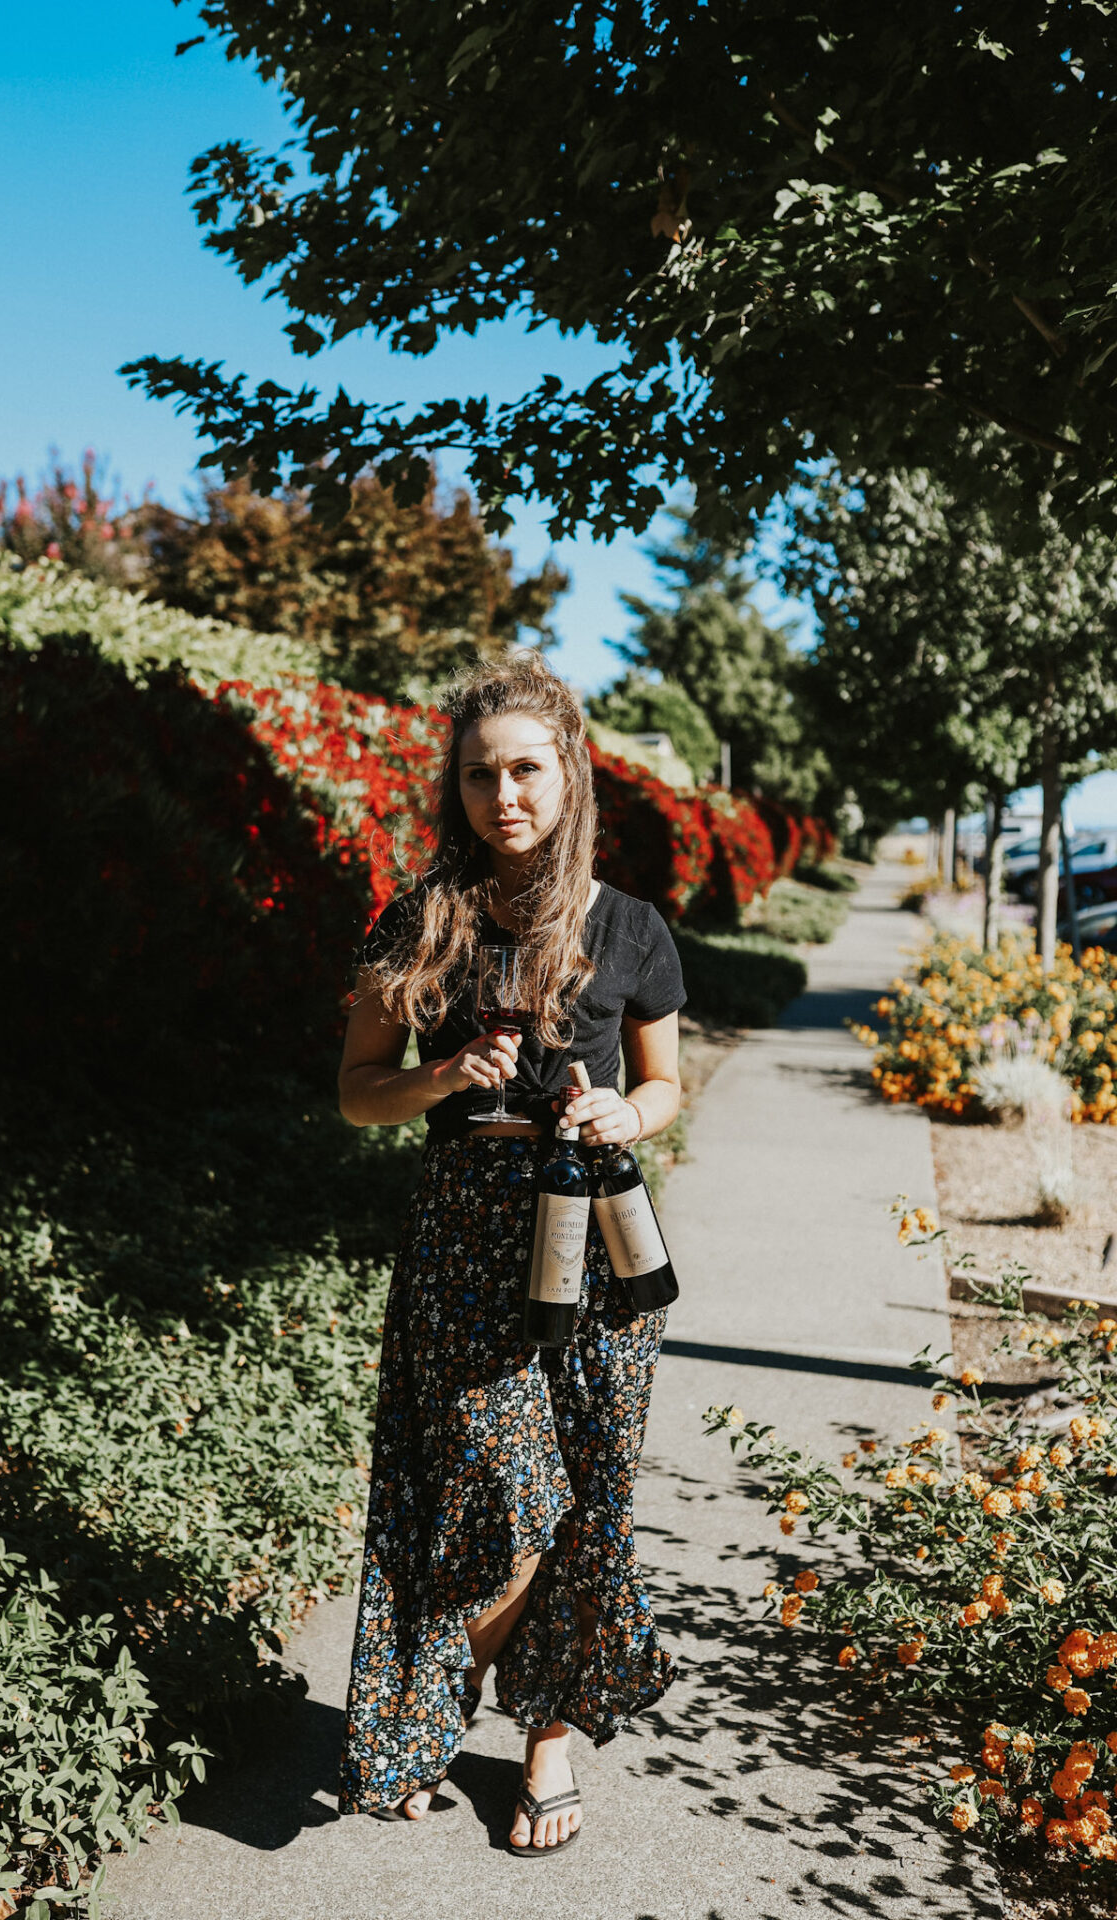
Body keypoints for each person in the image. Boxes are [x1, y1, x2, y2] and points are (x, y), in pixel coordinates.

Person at [336, 653, 684, 1856]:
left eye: (525, 769)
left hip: (596, 1237)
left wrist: (621, 1116)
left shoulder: (628, 928)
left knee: (586, 1497)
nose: (503, 796)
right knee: (504, 1493)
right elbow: (355, 1096)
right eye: (480, 775)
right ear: (458, 789)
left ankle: (544, 1741)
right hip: (464, 1235)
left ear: (569, 773)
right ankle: (453, 1695)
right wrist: (436, 1077)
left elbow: (664, 1083)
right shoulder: (420, 918)